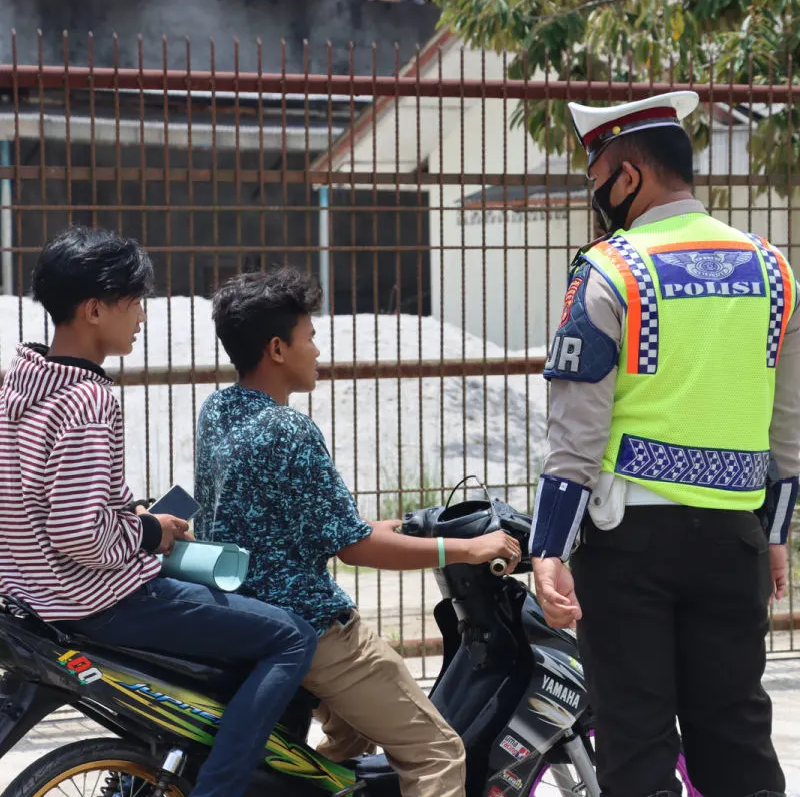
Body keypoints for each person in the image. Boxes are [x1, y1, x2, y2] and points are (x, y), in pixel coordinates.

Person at [528, 91, 799, 797]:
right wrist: (774, 534)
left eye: (598, 182)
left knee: (638, 739)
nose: (597, 198)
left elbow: (576, 431)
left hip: (629, 547)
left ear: (628, 176)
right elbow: (789, 426)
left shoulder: (610, 269)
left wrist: (549, 546)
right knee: (737, 735)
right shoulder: (774, 273)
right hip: (733, 540)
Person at [0, 227, 317, 797]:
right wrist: (152, 531)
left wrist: (126, 510)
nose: (142, 315)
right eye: (133, 301)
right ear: (95, 309)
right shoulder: (87, 398)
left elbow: (38, 494)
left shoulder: (21, 381)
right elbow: (78, 534)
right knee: (292, 636)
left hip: (31, 594)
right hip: (95, 599)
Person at [193, 267, 522, 797]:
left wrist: (391, 525)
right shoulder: (288, 428)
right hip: (312, 627)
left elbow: (285, 521)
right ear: (278, 348)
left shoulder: (220, 410)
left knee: (347, 742)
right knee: (437, 752)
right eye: (310, 338)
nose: (317, 350)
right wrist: (467, 547)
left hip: (242, 613)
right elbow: (354, 547)